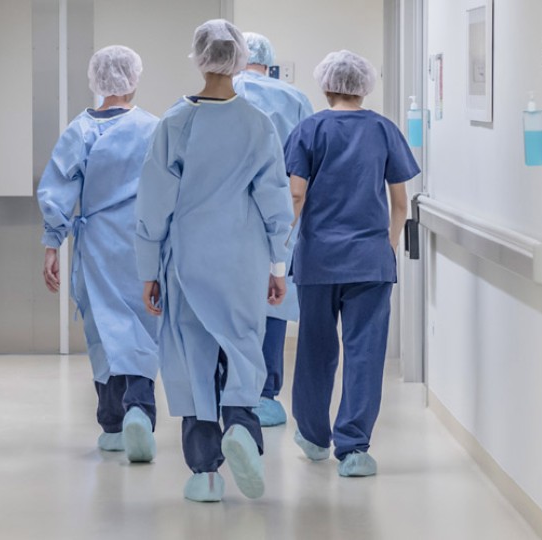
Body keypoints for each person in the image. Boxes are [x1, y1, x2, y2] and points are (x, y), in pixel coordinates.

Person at [135, 19, 294, 503]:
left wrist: (148, 271)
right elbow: (276, 201)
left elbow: (153, 205)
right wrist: (278, 266)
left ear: (200, 58)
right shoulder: (258, 124)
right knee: (242, 347)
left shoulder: (174, 124)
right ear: (240, 58)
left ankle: (204, 472)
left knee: (193, 358)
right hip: (244, 260)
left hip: (188, 261)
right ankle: (242, 425)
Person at [282, 50, 419, 478]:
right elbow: (401, 203)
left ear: (326, 85)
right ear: (364, 87)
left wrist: (280, 245)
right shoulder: (383, 130)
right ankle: (354, 448)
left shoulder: (309, 129)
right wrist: (387, 246)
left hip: (318, 260)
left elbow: (296, 195)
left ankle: (313, 436)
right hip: (370, 262)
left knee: (314, 350)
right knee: (365, 353)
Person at [38, 45, 162, 464]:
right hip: (143, 242)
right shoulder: (153, 128)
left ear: (97, 80)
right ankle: (139, 410)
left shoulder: (81, 130)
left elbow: (57, 191)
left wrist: (52, 243)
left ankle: (112, 425)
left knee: (104, 330)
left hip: (97, 245)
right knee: (142, 327)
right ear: (134, 78)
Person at [233, 31, 315, 428]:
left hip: (225, 214)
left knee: (226, 303)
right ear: (270, 63)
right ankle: (264, 395)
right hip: (281, 213)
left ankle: (229, 391)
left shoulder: (221, 94)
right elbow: (309, 164)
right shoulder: (294, 99)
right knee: (274, 296)